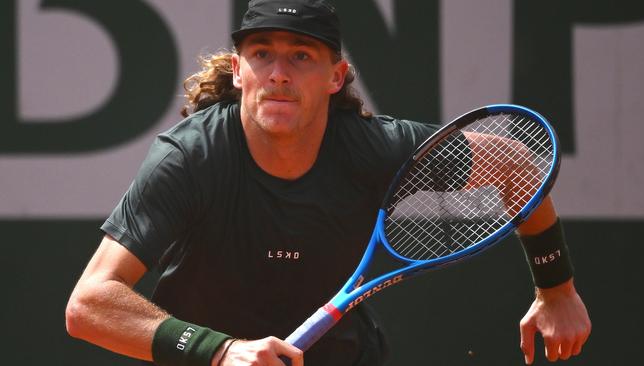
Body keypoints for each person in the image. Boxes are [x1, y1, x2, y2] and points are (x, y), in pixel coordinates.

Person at [65, 0, 591, 365]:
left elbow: (519, 163)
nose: (278, 73)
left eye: (301, 55)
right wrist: (221, 352)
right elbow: (89, 304)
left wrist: (557, 287)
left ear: (335, 76)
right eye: (262, 53)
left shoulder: (374, 148)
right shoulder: (189, 158)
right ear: (237, 70)